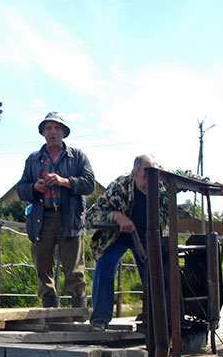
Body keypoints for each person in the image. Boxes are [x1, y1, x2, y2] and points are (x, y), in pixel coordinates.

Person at [17, 112, 95, 308]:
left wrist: (64, 182)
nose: (53, 132)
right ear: (43, 132)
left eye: (57, 128)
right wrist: (35, 188)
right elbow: (21, 189)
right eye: (49, 128)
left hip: (70, 217)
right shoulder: (33, 160)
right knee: (42, 267)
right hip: (41, 219)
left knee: (75, 269)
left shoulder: (77, 157)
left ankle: (78, 314)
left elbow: (89, 184)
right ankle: (50, 312)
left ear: (64, 132)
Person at [85, 154, 168, 331]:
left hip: (147, 237)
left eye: (154, 177)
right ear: (133, 175)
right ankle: (100, 320)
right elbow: (91, 215)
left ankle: (157, 319)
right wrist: (116, 216)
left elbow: (186, 176)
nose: (150, 183)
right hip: (117, 235)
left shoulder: (162, 183)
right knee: (105, 266)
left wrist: (212, 183)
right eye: (145, 177)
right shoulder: (119, 187)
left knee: (154, 274)